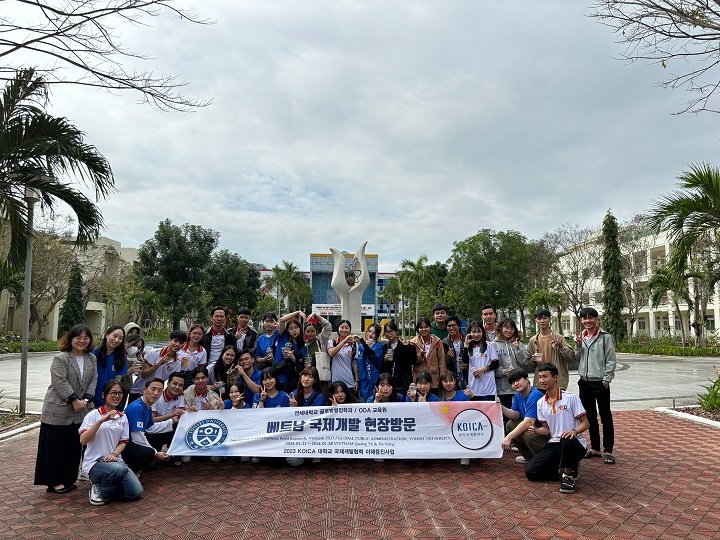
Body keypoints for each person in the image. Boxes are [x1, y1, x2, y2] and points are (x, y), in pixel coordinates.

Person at [34, 324, 97, 494]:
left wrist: (86, 399)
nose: (82, 341)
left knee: (73, 448)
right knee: (53, 448)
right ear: (70, 339)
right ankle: (53, 482)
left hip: (80, 411)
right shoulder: (61, 358)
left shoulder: (92, 358)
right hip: (58, 409)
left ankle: (68, 479)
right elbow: (59, 381)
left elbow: (93, 380)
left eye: (86, 337)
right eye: (78, 337)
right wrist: (74, 400)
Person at [524, 363, 589, 494]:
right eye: (540, 377)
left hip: (575, 443)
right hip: (555, 443)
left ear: (555, 378)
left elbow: (586, 423)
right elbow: (546, 430)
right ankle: (565, 469)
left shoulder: (570, 398)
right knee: (531, 472)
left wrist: (574, 431)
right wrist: (535, 431)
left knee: (567, 439)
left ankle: (568, 476)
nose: (542, 380)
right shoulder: (541, 403)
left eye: (545, 376)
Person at [79, 380, 143, 505]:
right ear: (104, 395)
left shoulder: (122, 417)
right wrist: (101, 421)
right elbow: (83, 440)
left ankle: (107, 487)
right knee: (119, 470)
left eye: (120, 393)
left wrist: (114, 454)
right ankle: (99, 490)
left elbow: (123, 442)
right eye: (113, 393)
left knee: (135, 493)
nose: (117, 396)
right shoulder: (93, 415)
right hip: (95, 463)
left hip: (115, 462)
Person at [574, 307, 617, 465]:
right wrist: (578, 346)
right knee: (589, 416)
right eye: (584, 318)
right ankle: (595, 448)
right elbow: (576, 358)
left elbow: (611, 360)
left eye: (590, 318)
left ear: (597, 319)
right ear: (581, 320)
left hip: (600, 383)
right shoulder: (582, 337)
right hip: (584, 382)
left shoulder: (605, 337)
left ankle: (608, 450)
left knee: (606, 416)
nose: (587, 321)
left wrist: (606, 380)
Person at [122, 378, 178, 474]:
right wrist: (155, 453)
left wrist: (172, 421)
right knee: (149, 454)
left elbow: (151, 427)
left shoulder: (146, 406)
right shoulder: (137, 408)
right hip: (125, 445)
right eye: (153, 389)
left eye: (160, 390)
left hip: (131, 442)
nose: (156, 393)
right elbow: (137, 436)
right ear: (144, 390)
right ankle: (129, 471)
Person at [500, 369, 550, 464]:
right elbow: (515, 415)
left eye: (518, 380)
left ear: (527, 379)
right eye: (513, 382)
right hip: (533, 429)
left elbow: (527, 422)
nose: (515, 384)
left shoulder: (535, 395)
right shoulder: (518, 395)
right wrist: (501, 407)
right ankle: (530, 457)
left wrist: (508, 437)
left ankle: (545, 460)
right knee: (510, 424)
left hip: (545, 433)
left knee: (528, 434)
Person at [129, 330, 187, 401]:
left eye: (181, 343)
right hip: (138, 392)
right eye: (175, 341)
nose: (177, 344)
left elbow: (173, 381)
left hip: (155, 395)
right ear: (169, 340)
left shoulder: (177, 362)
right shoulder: (154, 353)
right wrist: (159, 364)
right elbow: (144, 374)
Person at [528, 308, 575, 391]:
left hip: (557, 381)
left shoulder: (559, 338)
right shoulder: (533, 340)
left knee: (558, 403)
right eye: (539, 318)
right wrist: (533, 360)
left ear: (549, 319)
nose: (542, 321)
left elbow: (571, 358)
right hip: (541, 383)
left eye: (545, 318)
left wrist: (561, 347)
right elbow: (529, 364)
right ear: (536, 320)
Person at [147, 372, 186, 466]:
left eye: (180, 385)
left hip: (169, 428)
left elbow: (179, 416)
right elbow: (151, 419)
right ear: (168, 383)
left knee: (180, 425)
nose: (177, 387)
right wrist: (170, 415)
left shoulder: (180, 397)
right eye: (175, 383)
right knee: (151, 465)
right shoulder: (157, 396)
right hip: (153, 431)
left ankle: (174, 454)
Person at [493, 318, 531, 408]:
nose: (509, 331)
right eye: (506, 327)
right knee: (507, 414)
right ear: (501, 328)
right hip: (504, 387)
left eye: (512, 328)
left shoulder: (518, 343)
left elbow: (525, 362)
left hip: (520, 386)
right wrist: (503, 371)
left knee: (522, 411)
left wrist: (518, 349)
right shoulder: (494, 345)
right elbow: (492, 366)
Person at [92, 325, 128, 408]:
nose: (117, 340)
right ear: (107, 335)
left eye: (120, 338)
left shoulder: (121, 357)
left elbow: (117, 380)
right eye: (115, 336)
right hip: (92, 398)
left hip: (108, 401)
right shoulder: (94, 353)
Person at [463, 321, 499, 401]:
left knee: (488, 411)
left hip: (488, 385)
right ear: (469, 333)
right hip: (473, 385)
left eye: (479, 331)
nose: (476, 335)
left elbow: (495, 363)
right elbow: (465, 361)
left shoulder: (489, 345)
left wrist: (482, 370)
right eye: (473, 332)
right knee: (476, 411)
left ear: (483, 332)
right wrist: (465, 346)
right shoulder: (468, 347)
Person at [410, 317, 447, 394]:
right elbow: (412, 362)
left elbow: (442, 361)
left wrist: (443, 379)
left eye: (426, 327)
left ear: (430, 328)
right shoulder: (413, 343)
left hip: (434, 379)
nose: (424, 329)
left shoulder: (437, 341)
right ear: (418, 329)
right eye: (421, 327)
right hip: (419, 380)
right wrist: (420, 356)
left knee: (434, 403)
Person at [275, 310, 307, 391]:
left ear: (300, 328)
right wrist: (298, 312)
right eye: (291, 328)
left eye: (296, 327)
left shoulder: (302, 345)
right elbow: (282, 320)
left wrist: (293, 357)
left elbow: (301, 365)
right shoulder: (283, 337)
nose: (294, 330)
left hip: (292, 379)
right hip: (278, 374)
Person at [382, 321, 415, 396]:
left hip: (404, 382)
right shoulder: (385, 348)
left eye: (391, 331)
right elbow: (383, 367)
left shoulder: (405, 345)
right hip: (390, 384)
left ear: (396, 332)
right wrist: (385, 360)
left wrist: (407, 347)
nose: (389, 334)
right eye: (386, 332)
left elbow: (413, 360)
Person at [328, 319, 359, 395]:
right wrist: (344, 341)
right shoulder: (331, 343)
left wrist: (356, 380)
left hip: (349, 381)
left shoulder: (354, 345)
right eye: (342, 327)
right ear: (338, 329)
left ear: (350, 330)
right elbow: (331, 353)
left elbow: (354, 363)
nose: (344, 330)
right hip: (335, 381)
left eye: (347, 328)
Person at [203, 306, 236, 376]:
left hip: (225, 370)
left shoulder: (230, 337)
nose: (219, 319)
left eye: (222, 316)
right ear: (211, 318)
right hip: (207, 370)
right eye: (216, 316)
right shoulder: (204, 336)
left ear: (225, 318)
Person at [357, 323, 385, 402]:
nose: (370, 334)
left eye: (374, 333)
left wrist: (362, 341)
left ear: (377, 335)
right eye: (369, 331)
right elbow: (358, 363)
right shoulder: (361, 346)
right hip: (363, 381)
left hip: (374, 380)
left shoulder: (378, 345)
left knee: (374, 403)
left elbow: (370, 352)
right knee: (363, 406)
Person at [176, 324, 207, 388]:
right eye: (194, 333)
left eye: (199, 334)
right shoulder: (180, 346)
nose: (196, 336)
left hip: (191, 376)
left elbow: (201, 369)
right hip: (177, 373)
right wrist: (179, 362)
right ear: (190, 334)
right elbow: (170, 361)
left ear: (202, 336)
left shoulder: (202, 351)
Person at [442, 316, 467, 390]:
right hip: (453, 377)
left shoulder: (467, 339)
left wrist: (468, 365)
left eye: (454, 325)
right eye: (449, 326)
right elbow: (445, 363)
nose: (451, 328)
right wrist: (449, 356)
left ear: (459, 326)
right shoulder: (444, 342)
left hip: (467, 375)